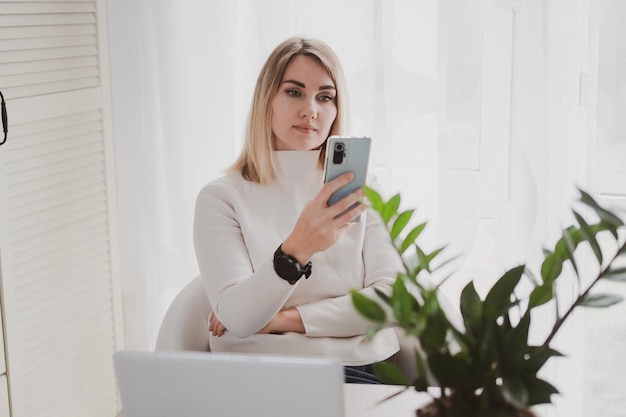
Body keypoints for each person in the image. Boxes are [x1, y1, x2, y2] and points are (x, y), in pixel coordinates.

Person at [193, 36, 403, 384]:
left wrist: (282, 319)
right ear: (267, 100)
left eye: (325, 97)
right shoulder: (221, 198)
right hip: (255, 374)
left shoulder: (364, 190)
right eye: (294, 92)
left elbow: (392, 302)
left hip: (354, 370)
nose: (311, 110)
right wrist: (298, 249)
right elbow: (241, 318)